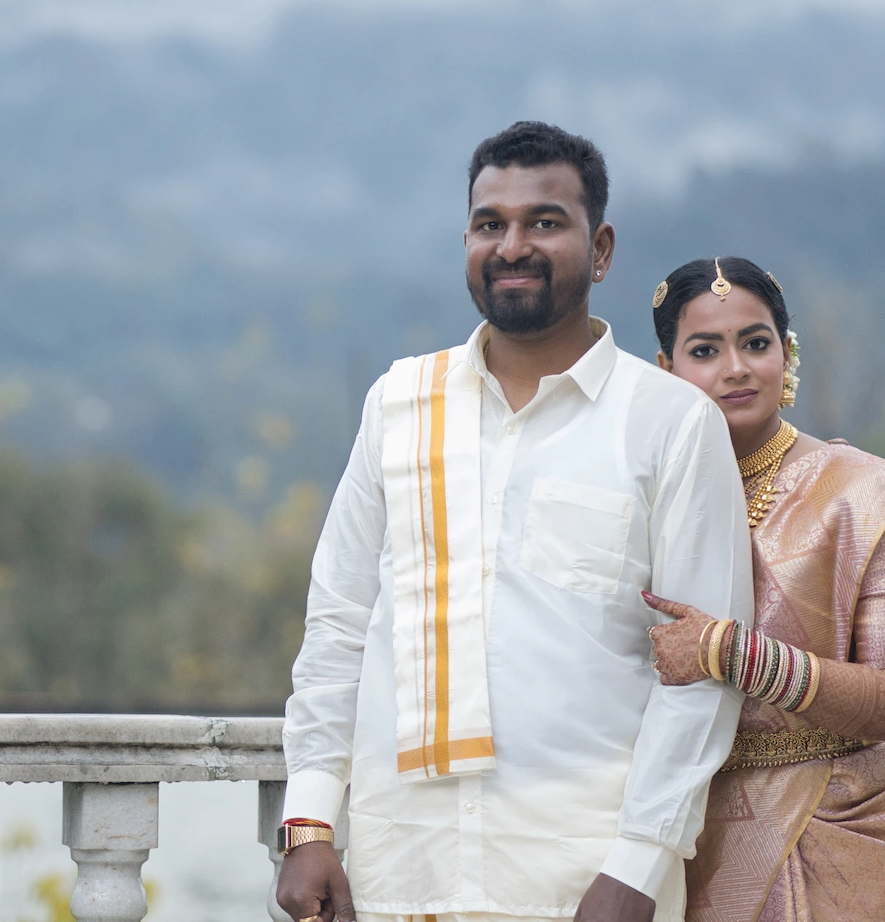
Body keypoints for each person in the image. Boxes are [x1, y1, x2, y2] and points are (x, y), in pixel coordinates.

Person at [276, 121, 754, 922]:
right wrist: (309, 821)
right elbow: (338, 627)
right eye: (490, 224)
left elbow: (699, 670)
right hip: (400, 871)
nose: (512, 245)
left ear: (600, 249)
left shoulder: (669, 422)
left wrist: (640, 866)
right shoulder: (401, 403)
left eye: (544, 222)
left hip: (582, 877)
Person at [640, 256, 885, 922]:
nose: (736, 367)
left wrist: (731, 655)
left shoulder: (865, 495)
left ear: (787, 353)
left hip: (847, 835)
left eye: (756, 342)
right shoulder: (646, 501)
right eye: (706, 350)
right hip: (679, 836)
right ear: (665, 372)